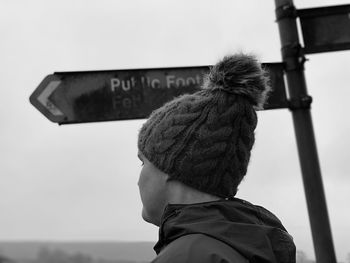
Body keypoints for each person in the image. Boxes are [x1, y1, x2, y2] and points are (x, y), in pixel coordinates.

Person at [137, 54, 296, 263]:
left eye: (143, 162)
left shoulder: (188, 257)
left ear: (169, 169)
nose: (138, 179)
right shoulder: (251, 245)